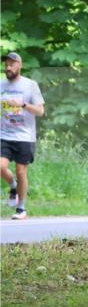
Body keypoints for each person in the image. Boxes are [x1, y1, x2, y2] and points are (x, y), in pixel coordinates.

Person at [1, 52, 45, 221]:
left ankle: (21, 208)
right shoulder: (1, 84)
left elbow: (41, 111)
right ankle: (13, 187)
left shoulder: (30, 85)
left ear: (20, 65)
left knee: (21, 172)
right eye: (6, 64)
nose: (8, 67)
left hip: (25, 136)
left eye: (12, 64)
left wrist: (24, 105)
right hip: (4, 134)